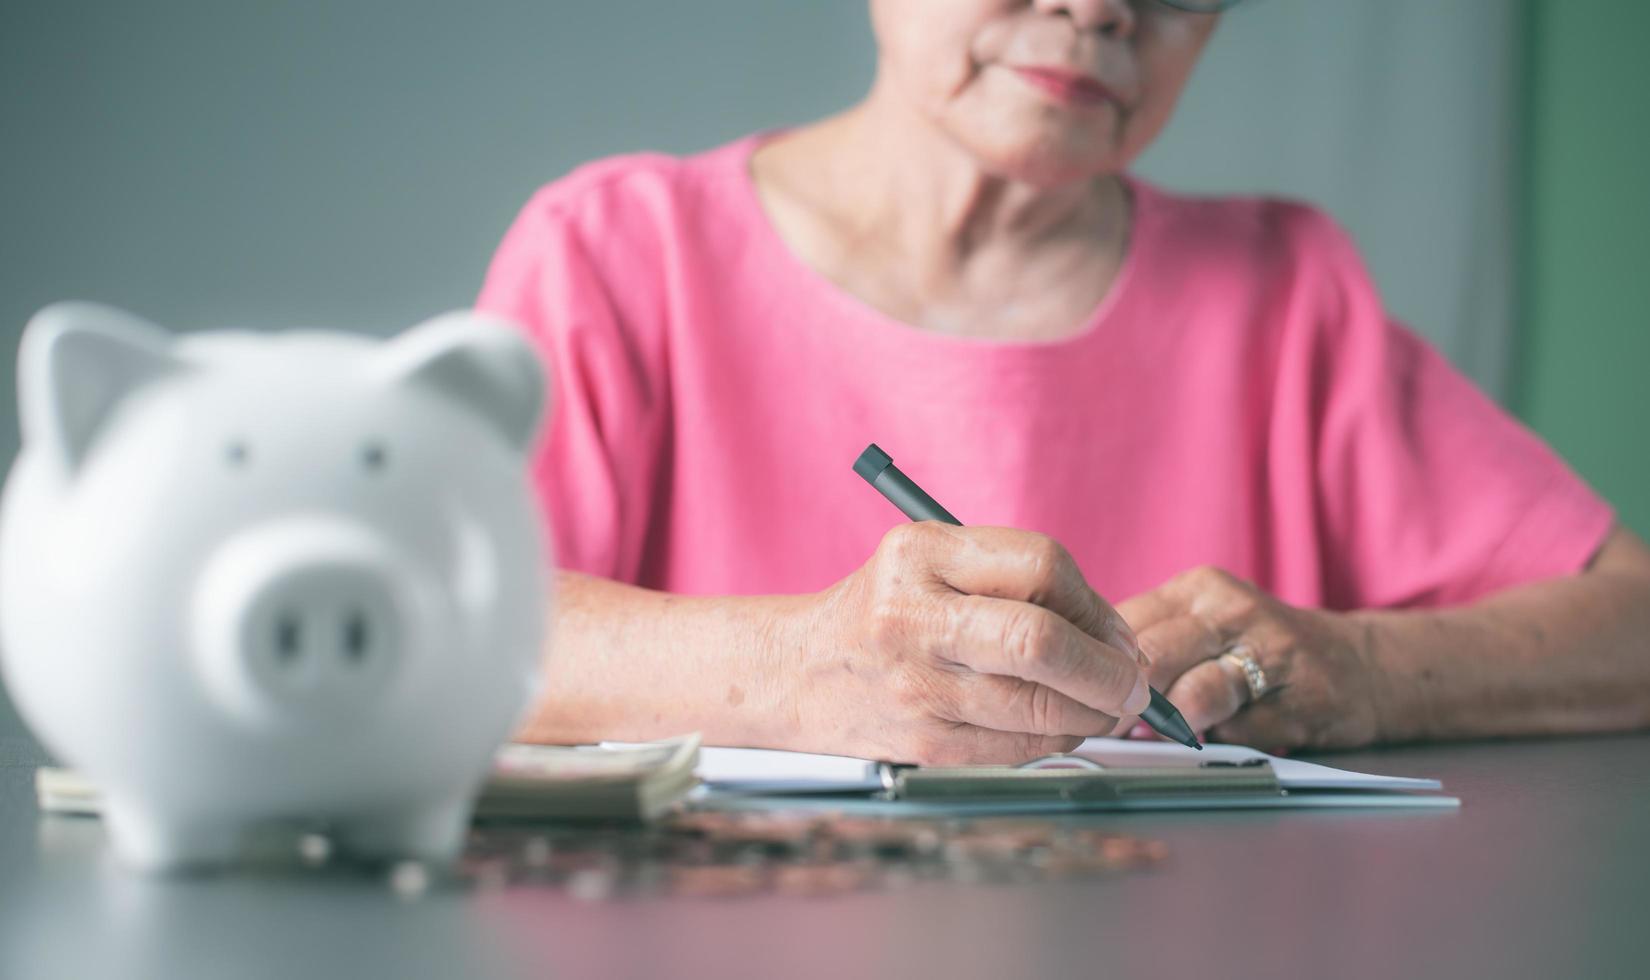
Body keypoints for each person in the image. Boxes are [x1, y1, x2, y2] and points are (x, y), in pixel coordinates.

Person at [476, 0, 1650, 763]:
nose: (1099, 10)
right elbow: (448, 635)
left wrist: (1370, 667)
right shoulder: (613, 257)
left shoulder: (1286, 293)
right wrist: (801, 667)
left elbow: (1631, 618)